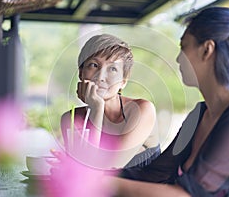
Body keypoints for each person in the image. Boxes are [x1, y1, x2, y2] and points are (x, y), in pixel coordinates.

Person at [109, 7, 229, 196]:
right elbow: (155, 173)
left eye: (184, 47)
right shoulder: (201, 113)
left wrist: (100, 184)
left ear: (207, 50)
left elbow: (186, 194)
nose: (179, 58)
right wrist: (85, 173)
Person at [60, 34, 160, 169]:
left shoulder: (142, 110)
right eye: (94, 65)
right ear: (81, 73)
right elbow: (81, 176)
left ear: (123, 82)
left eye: (113, 69)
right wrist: (96, 110)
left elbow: (108, 168)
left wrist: (96, 108)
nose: (100, 77)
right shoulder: (70, 119)